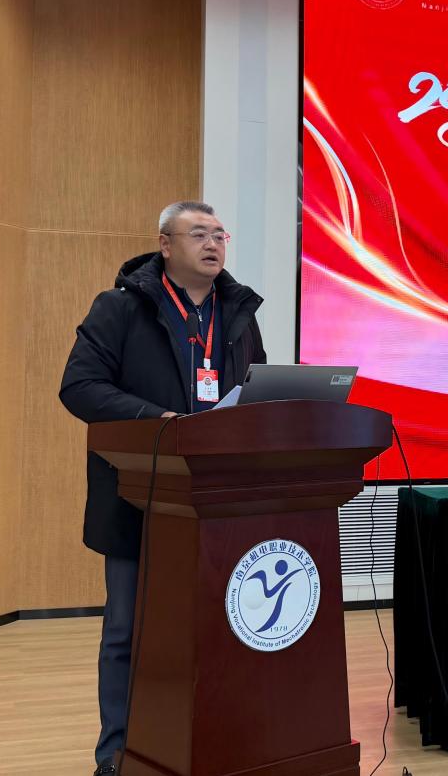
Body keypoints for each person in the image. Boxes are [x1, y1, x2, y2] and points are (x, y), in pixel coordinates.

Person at [59, 201, 266, 775]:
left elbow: (255, 395)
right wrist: (160, 421)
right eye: (198, 233)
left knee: (220, 632)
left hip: (221, 505)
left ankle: (212, 744)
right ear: (165, 245)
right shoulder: (121, 308)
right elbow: (79, 386)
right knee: (128, 632)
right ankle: (117, 753)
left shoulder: (239, 314)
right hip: (140, 496)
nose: (213, 242)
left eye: (219, 234)